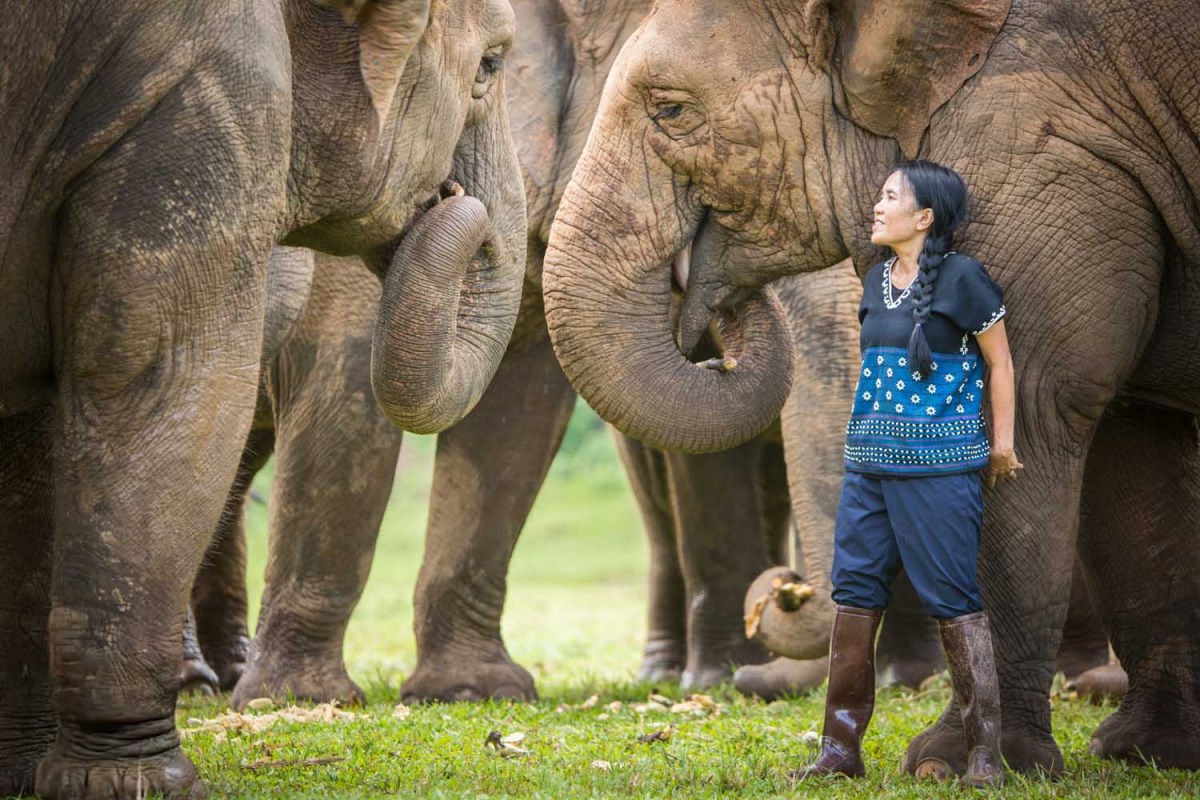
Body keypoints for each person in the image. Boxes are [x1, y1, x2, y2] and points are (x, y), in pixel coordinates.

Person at [799, 160, 1021, 788]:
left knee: (953, 600)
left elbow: (999, 365)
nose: (877, 205)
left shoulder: (965, 279)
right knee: (854, 594)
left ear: (924, 217)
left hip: (941, 471)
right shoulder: (874, 280)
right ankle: (839, 751)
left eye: (889, 197)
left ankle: (984, 756)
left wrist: (1001, 444)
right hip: (867, 468)